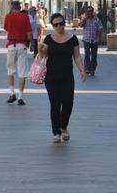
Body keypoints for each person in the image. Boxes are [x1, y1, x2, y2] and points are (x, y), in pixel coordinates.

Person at [39, 12, 86, 143]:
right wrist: (40, 49)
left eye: (61, 23)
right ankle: (56, 132)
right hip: (51, 76)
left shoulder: (73, 39)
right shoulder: (48, 39)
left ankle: (63, 126)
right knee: (54, 104)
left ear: (65, 23)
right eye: (56, 25)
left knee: (68, 102)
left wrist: (82, 70)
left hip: (67, 76)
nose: (59, 26)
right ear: (52, 26)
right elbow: (42, 56)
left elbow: (76, 56)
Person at [2, 1, 32, 105]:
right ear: (20, 7)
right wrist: (29, 43)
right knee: (22, 72)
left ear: (11, 7)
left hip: (11, 45)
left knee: (10, 71)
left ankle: (12, 93)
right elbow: (29, 33)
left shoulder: (8, 16)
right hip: (22, 44)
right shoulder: (25, 17)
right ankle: (20, 97)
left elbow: (6, 28)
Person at [80, 6, 104, 78]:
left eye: (91, 11)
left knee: (94, 56)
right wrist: (85, 18)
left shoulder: (96, 19)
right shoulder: (85, 19)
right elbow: (81, 25)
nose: (89, 12)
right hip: (86, 40)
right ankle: (87, 69)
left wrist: (99, 38)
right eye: (88, 11)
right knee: (87, 54)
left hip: (94, 40)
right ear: (86, 12)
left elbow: (100, 28)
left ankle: (92, 69)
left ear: (93, 11)